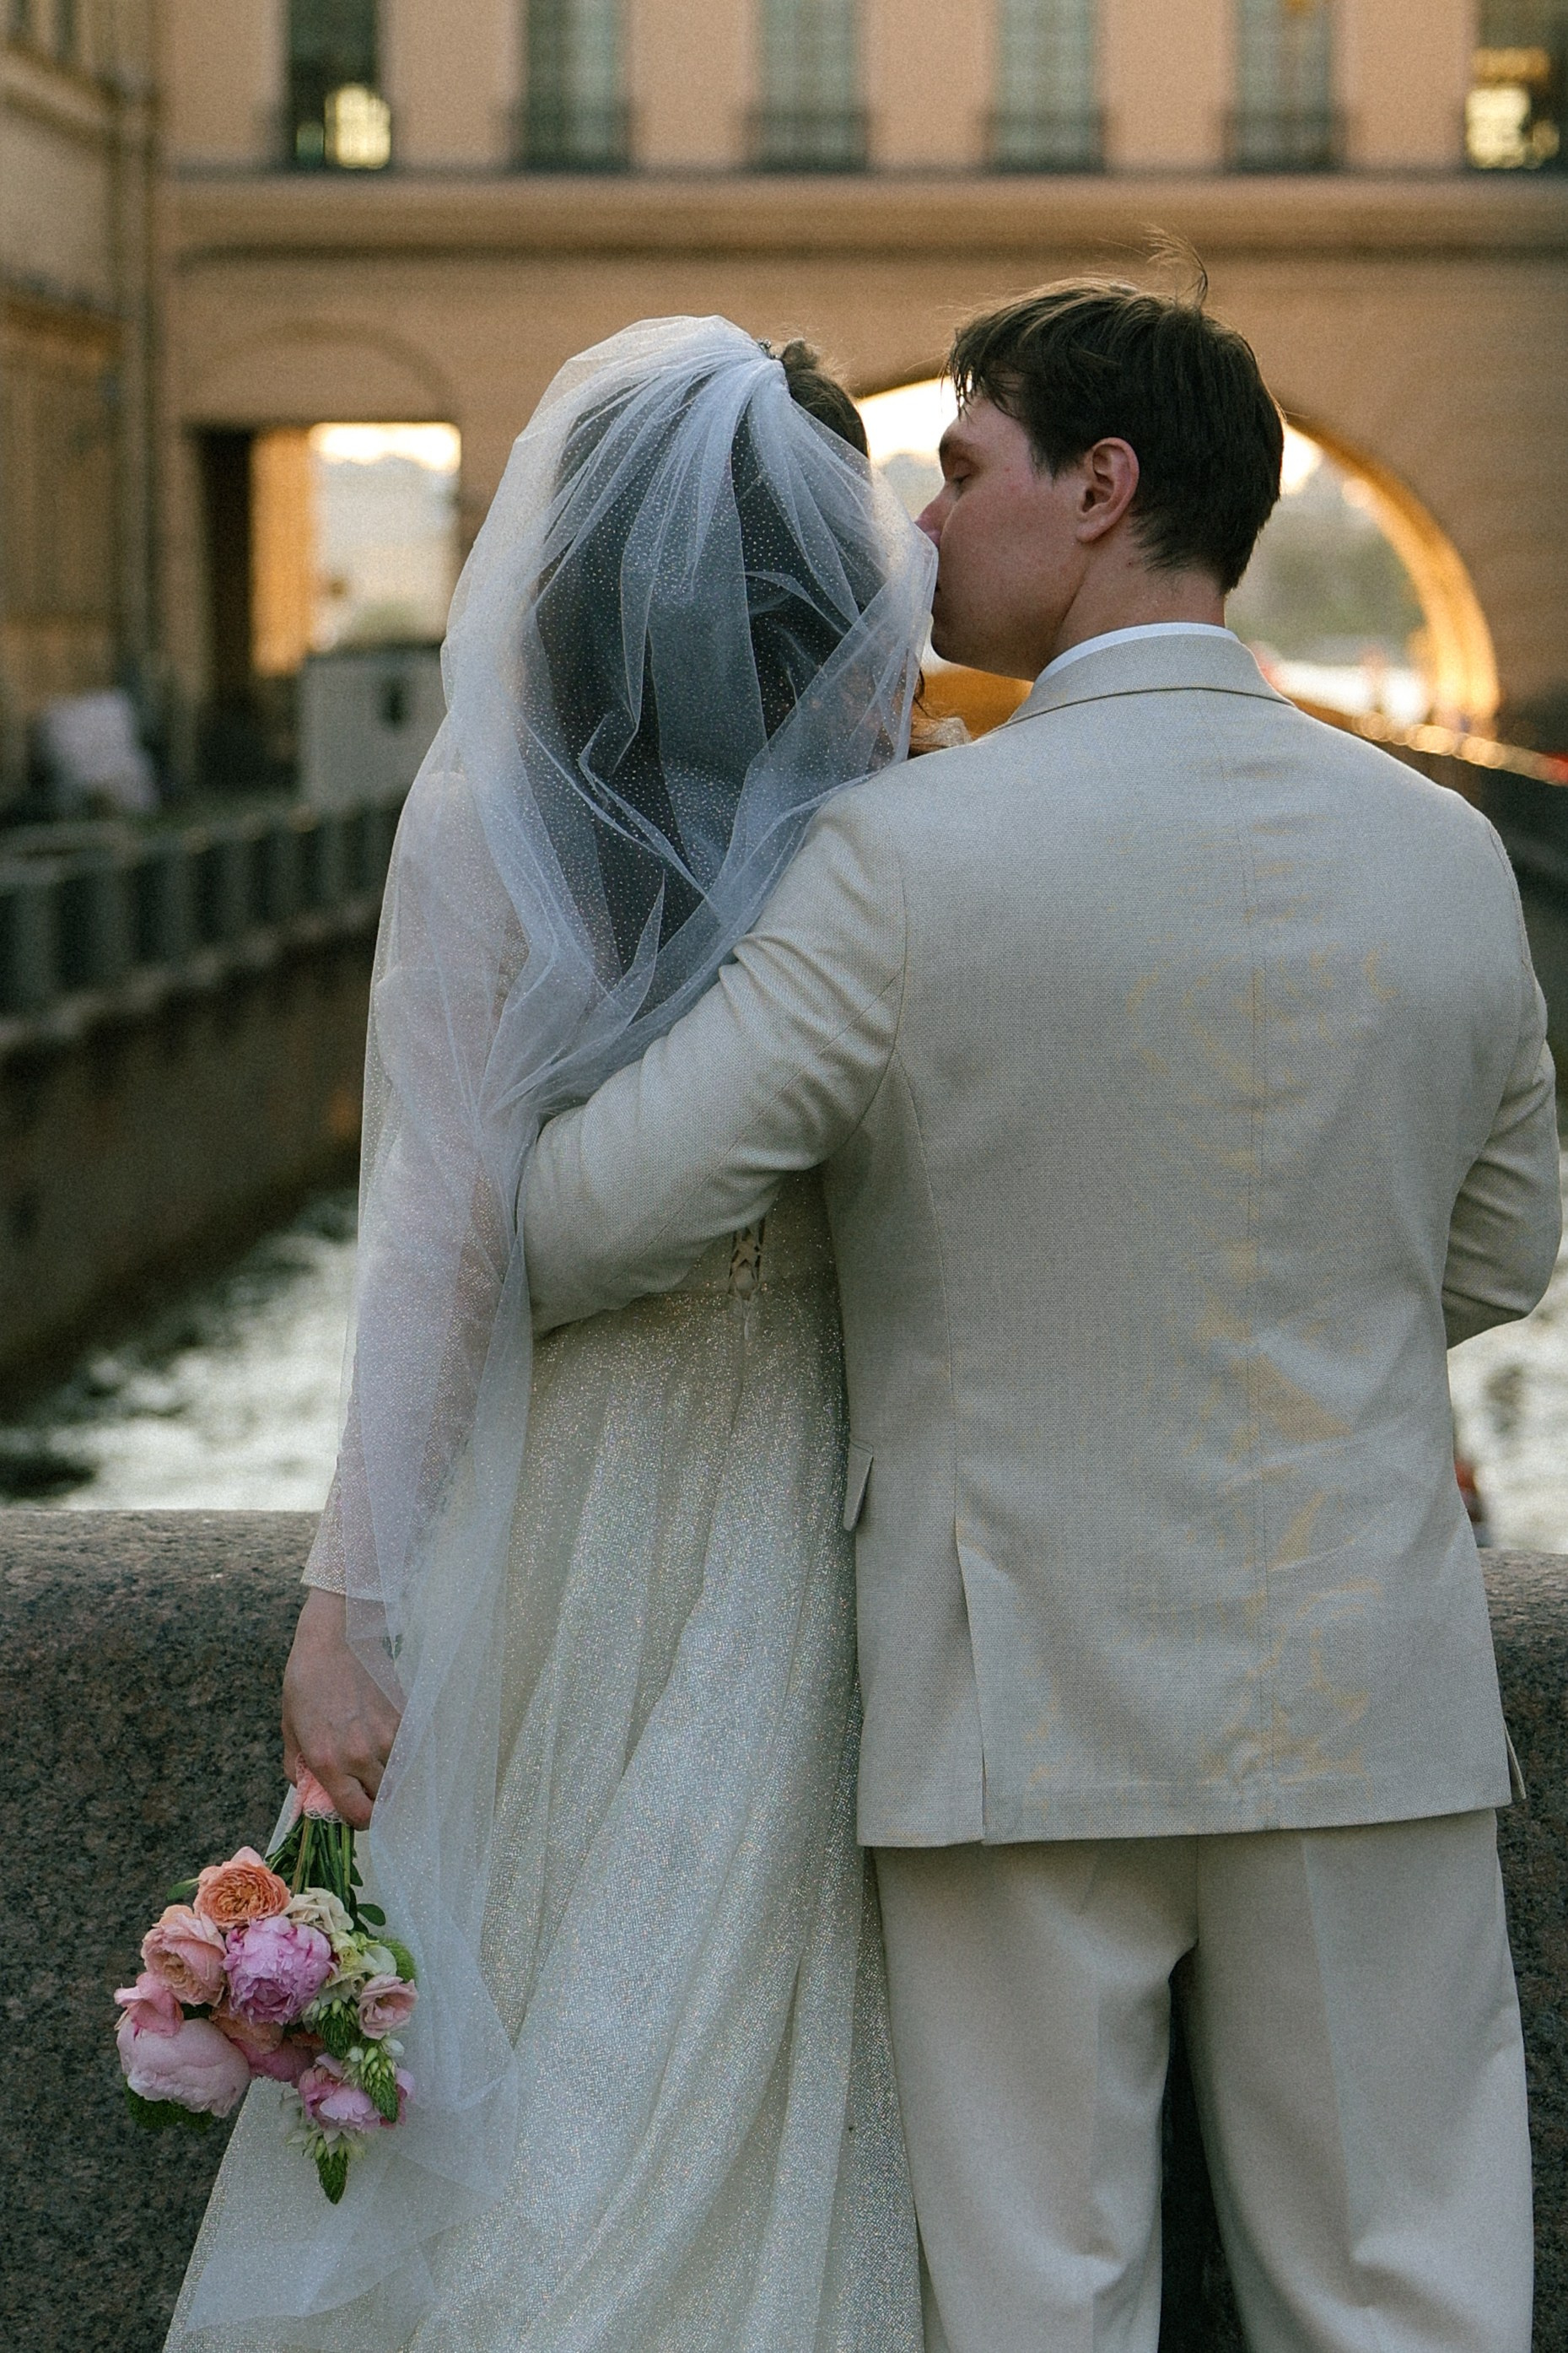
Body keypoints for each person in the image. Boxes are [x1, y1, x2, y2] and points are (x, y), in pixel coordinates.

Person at [521, 278, 1562, 2353]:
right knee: (1409, 2301)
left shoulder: (904, 867)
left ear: (1102, 488)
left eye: (963, 470)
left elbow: (585, 1228)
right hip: (1363, 1679)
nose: (919, 530)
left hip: (1019, 1705)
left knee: (1036, 2307)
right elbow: (1503, 1253)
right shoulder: (1443, 856)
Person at [164, 317, 937, 2353]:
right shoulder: (885, 814)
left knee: (547, 1940)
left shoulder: (491, 818)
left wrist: (351, 1595)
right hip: (811, 1472)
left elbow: (430, 1240)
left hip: (567, 1471)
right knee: (746, 1995)